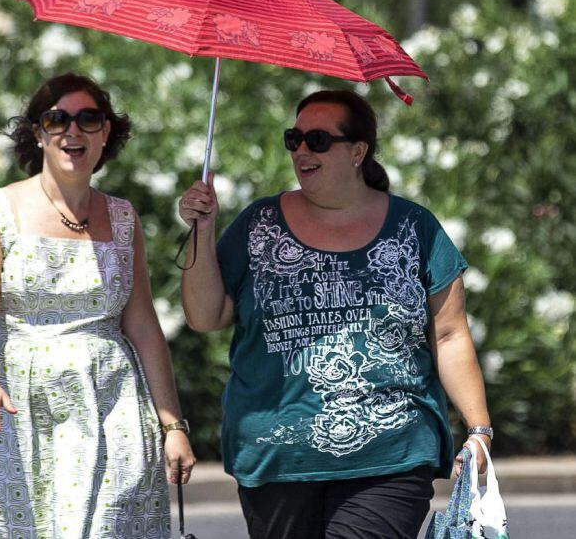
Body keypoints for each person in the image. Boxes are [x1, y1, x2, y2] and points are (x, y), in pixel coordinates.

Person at [0, 72, 195, 538]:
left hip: (110, 401)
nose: (73, 132)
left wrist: (172, 424)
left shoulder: (122, 216)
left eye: (88, 119)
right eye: (57, 120)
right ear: (38, 132)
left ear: (106, 132)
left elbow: (143, 323)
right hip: (16, 398)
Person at [178, 89, 492, 539]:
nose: (303, 150)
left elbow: (448, 334)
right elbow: (205, 316)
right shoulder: (259, 223)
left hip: (392, 451)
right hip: (276, 456)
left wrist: (479, 429)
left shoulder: (414, 226)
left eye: (319, 140)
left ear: (358, 151)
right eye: (295, 139)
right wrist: (202, 233)